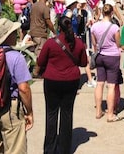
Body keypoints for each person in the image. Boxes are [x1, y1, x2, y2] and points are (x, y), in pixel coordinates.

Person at [37, 16, 87, 154]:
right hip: (71, 80)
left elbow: (40, 61)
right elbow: (84, 62)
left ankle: (49, 149)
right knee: (67, 113)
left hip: (52, 80)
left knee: (51, 113)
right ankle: (64, 149)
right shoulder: (78, 43)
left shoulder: (51, 43)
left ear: (59, 27)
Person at [0, 18, 33, 154]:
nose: (16, 34)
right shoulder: (16, 57)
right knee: (15, 149)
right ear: (8, 36)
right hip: (10, 109)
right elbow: (24, 88)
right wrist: (29, 112)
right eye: (13, 32)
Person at [90, 3, 122, 122]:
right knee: (111, 85)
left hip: (100, 55)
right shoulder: (114, 28)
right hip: (112, 56)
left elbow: (94, 43)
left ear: (102, 12)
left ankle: (98, 111)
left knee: (100, 83)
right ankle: (110, 114)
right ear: (112, 13)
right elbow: (118, 43)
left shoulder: (94, 26)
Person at [30, 0, 55, 78]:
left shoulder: (34, 5)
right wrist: (54, 30)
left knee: (37, 52)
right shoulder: (45, 8)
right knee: (40, 54)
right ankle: (36, 72)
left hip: (33, 31)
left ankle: (40, 70)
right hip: (40, 33)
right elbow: (48, 21)